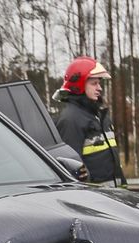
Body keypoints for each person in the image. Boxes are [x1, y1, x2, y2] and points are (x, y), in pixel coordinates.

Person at [54, 56, 127, 188]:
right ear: (78, 85)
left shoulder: (99, 115)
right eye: (94, 83)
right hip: (96, 200)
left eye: (99, 83)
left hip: (114, 197)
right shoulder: (71, 119)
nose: (99, 88)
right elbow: (71, 168)